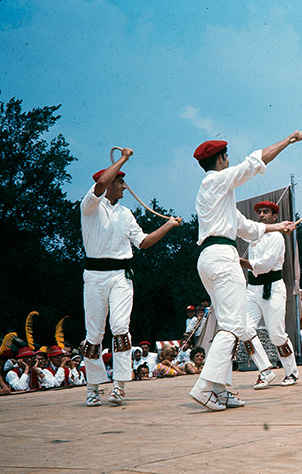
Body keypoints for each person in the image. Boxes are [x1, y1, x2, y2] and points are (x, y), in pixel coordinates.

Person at [188, 133, 302, 411]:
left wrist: (279, 226)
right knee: (233, 326)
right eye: (227, 157)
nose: (230, 161)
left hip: (212, 257)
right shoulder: (215, 180)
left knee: (232, 324)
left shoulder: (219, 196)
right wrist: (286, 141)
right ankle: (204, 387)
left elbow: (247, 228)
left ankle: (220, 389)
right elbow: (254, 163)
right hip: (221, 257)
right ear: (221, 159)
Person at [80, 147, 182, 407]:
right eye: (121, 181)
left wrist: (168, 225)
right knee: (94, 333)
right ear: (110, 182)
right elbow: (101, 182)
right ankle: (92, 387)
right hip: (94, 276)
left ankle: (119, 386)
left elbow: (144, 242)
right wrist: (123, 158)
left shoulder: (126, 214)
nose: (125, 187)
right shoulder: (90, 205)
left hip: (121, 275)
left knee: (121, 328)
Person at [239, 200, 299, 389]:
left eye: (266, 212)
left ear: (275, 217)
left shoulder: (277, 238)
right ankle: (265, 370)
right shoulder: (254, 236)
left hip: (273, 288)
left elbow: (264, 266)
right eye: (260, 212)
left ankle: (292, 372)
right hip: (252, 289)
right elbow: (242, 228)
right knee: (245, 329)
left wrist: (239, 261)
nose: (262, 215)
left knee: (276, 335)